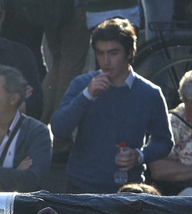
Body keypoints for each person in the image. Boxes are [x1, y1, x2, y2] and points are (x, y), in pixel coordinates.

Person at [50, 18, 171, 194]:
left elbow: (165, 141)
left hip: (127, 190)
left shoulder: (149, 93)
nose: (105, 61)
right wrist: (87, 96)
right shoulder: (82, 84)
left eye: (113, 53)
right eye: (100, 53)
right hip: (81, 186)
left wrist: (139, 155)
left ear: (129, 53)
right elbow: (59, 129)